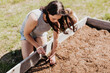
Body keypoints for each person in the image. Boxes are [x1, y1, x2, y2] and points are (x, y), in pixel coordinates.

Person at [20, 0, 78, 65]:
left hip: (40, 34)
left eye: (58, 19)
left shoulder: (56, 20)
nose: (56, 21)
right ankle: (29, 44)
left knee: (43, 54)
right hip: (28, 35)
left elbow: (56, 39)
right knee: (29, 61)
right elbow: (26, 34)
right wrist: (37, 46)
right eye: (53, 18)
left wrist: (53, 54)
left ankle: (34, 43)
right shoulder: (34, 18)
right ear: (48, 12)